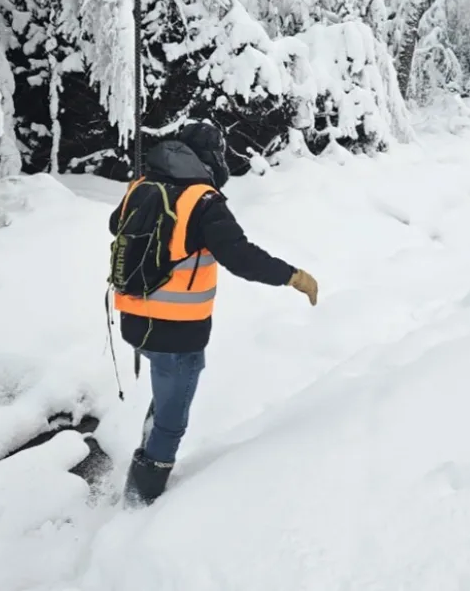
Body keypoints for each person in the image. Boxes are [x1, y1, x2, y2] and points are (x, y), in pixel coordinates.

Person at [109, 121, 319, 507]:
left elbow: (114, 224)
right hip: (177, 331)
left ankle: (143, 467)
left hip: (135, 320)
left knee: (164, 394)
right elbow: (241, 257)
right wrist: (293, 276)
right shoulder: (202, 200)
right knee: (173, 420)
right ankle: (139, 502)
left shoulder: (143, 186)